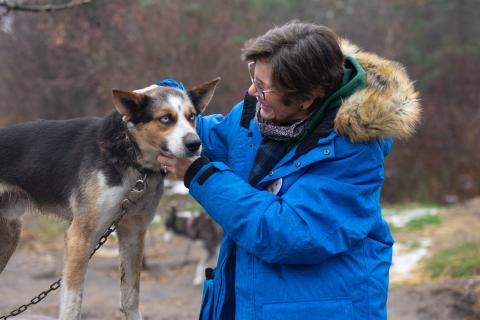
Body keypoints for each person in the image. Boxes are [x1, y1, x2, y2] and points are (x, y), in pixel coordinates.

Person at [157, 21, 420, 320]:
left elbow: (286, 232)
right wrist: (167, 100)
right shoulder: (263, 114)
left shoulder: (355, 152)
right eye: (254, 76)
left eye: (265, 87)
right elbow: (209, 135)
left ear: (306, 99)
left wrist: (199, 175)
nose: (253, 91)